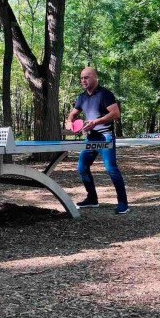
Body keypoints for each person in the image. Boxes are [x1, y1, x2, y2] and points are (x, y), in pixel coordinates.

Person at [66, 67, 130, 214]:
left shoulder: (104, 94)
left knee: (110, 169)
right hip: (91, 138)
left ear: (95, 78)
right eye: (82, 78)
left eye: (87, 77)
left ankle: (123, 203)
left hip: (105, 136)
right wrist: (70, 121)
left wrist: (96, 121)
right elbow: (73, 114)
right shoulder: (81, 97)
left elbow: (116, 113)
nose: (83, 80)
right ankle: (92, 199)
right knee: (82, 168)